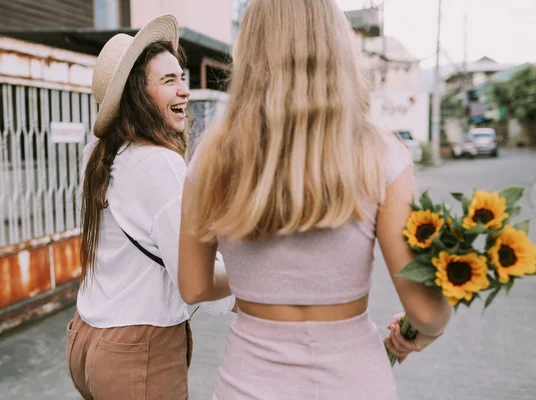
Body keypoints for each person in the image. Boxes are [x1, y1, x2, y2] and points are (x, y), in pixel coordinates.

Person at [177, 0, 452, 399]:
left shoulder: (212, 156)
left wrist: (256, 281)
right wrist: (424, 331)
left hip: (247, 385)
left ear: (250, 49)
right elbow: (425, 311)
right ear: (336, 47)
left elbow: (194, 287)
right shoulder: (381, 153)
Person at [66, 14, 235, 400]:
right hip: (138, 353)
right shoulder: (158, 163)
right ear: (138, 96)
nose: (185, 91)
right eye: (169, 81)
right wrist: (259, 279)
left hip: (87, 337)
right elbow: (196, 281)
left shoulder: (99, 153)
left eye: (182, 78)